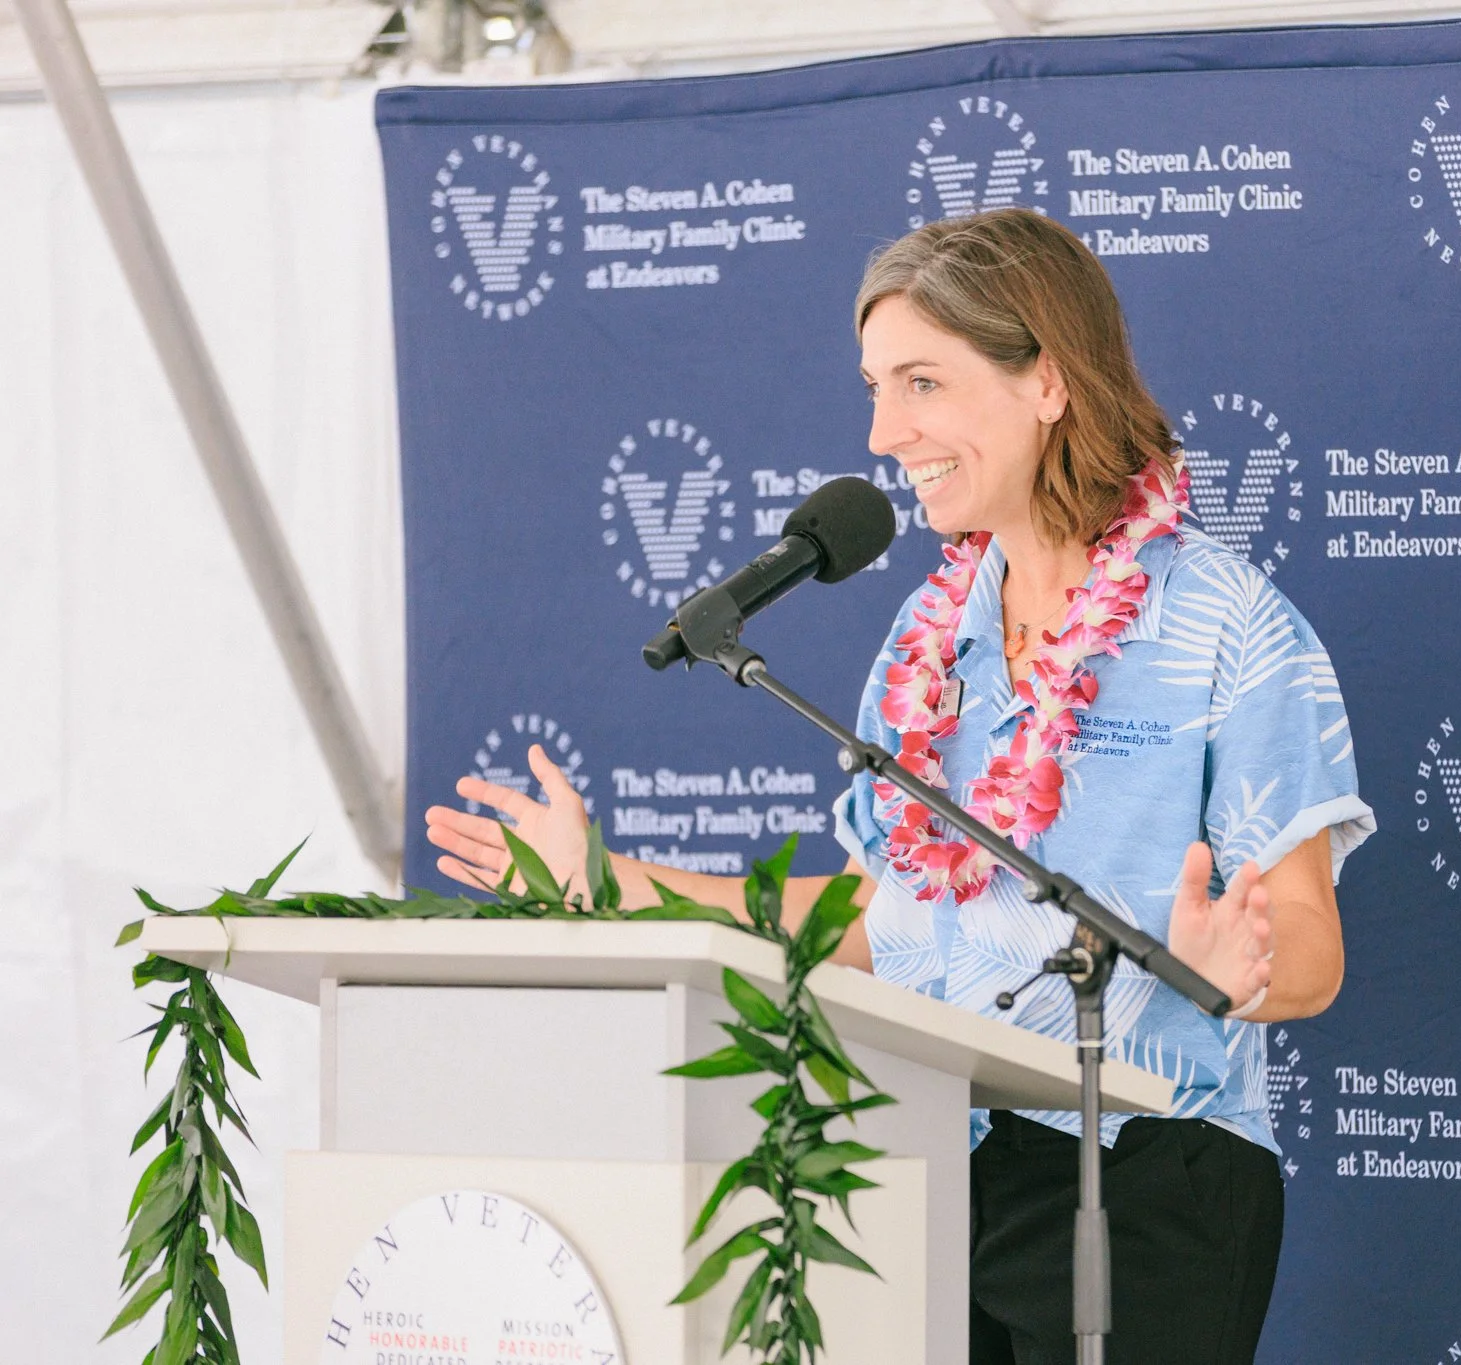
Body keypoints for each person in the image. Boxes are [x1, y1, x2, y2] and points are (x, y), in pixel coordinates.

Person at [425, 207, 1374, 1365]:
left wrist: (1237, 973)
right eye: (875, 387)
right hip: (926, 1160)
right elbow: (882, 927)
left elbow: (1310, 948)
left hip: (1143, 1170)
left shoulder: (1228, 626)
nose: (883, 431)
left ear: (1048, 380)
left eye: (920, 383)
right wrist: (607, 881)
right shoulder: (926, 648)